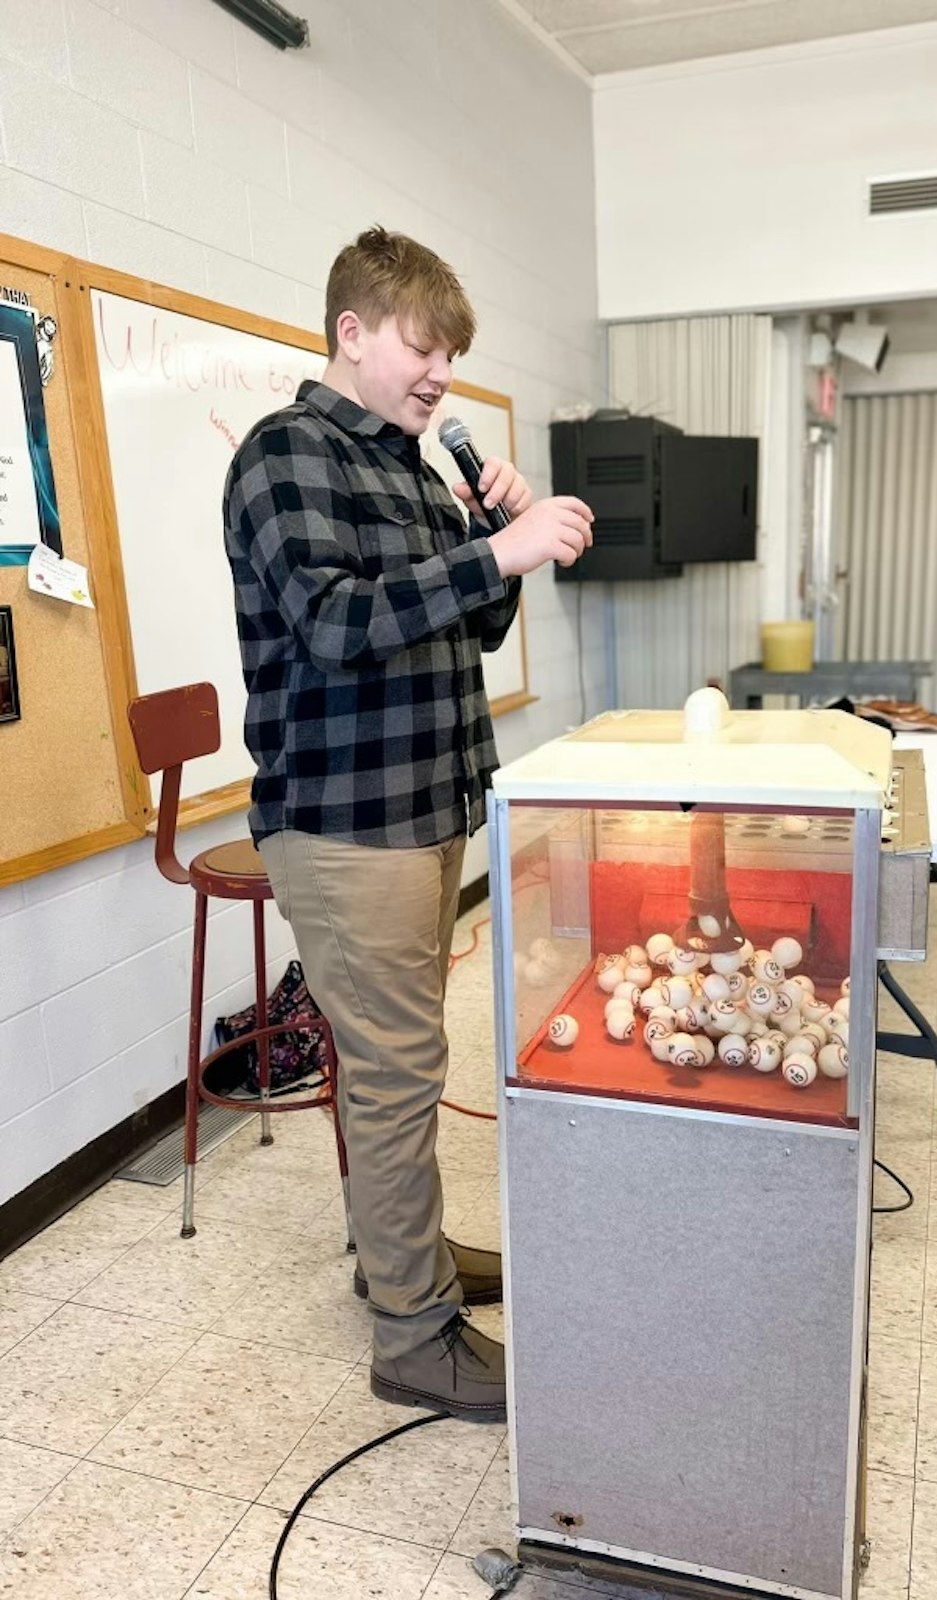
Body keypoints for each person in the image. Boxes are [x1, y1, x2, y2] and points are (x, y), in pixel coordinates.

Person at [224, 226, 593, 1421]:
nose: (442, 374)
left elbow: (471, 631)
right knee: (393, 1074)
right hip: (346, 820)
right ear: (353, 331)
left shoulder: (414, 463)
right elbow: (332, 625)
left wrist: (504, 548)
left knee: (401, 1063)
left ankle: (403, 1258)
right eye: (425, 348)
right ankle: (413, 1333)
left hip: (430, 804)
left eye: (451, 356)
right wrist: (495, 550)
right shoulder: (287, 454)